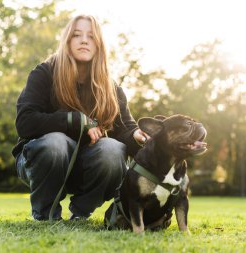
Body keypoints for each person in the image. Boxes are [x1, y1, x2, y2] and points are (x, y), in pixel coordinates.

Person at [12, 14, 149, 221]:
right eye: (77, 35)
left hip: (86, 168)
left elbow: (125, 130)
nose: (84, 40)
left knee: (113, 149)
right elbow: (25, 122)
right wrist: (76, 121)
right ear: (67, 41)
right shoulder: (44, 73)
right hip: (41, 161)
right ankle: (45, 214)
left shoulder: (111, 88)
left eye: (91, 36)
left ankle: (81, 214)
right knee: (55, 142)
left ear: (99, 45)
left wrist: (137, 136)